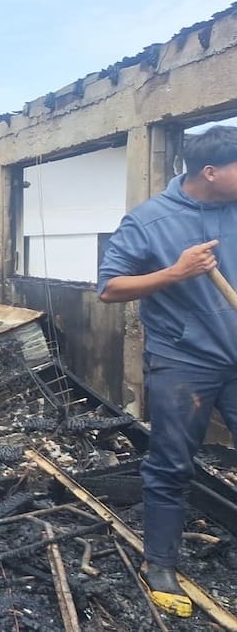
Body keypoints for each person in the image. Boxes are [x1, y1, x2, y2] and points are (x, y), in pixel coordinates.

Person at [98, 125, 237, 618]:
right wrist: (175, 273)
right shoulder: (149, 220)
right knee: (172, 464)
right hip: (185, 364)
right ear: (211, 171)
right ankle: (160, 563)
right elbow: (111, 288)